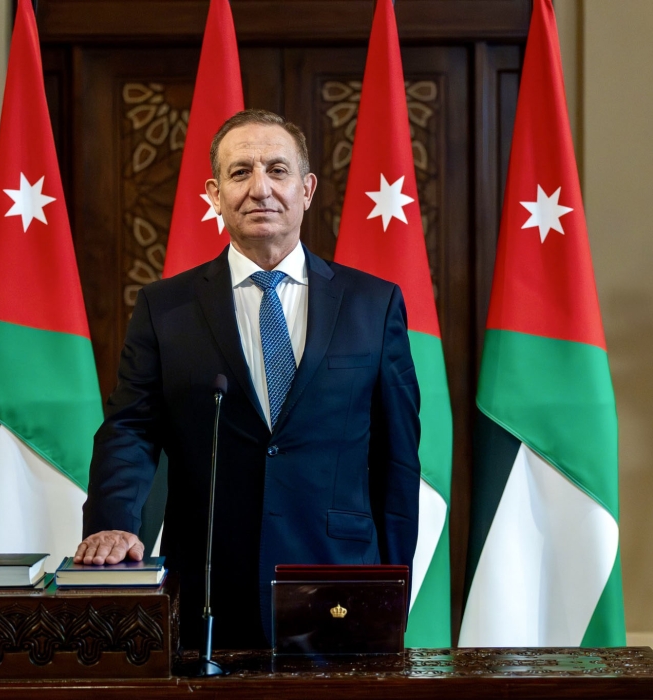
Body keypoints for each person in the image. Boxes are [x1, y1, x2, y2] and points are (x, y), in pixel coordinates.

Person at [76, 109, 421, 649]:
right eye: (241, 172)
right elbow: (130, 428)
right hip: (209, 587)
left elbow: (398, 459)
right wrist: (112, 522)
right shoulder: (165, 308)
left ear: (306, 189)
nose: (261, 188)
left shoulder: (373, 304)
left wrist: (392, 589)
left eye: (278, 170)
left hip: (339, 583)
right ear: (215, 195)